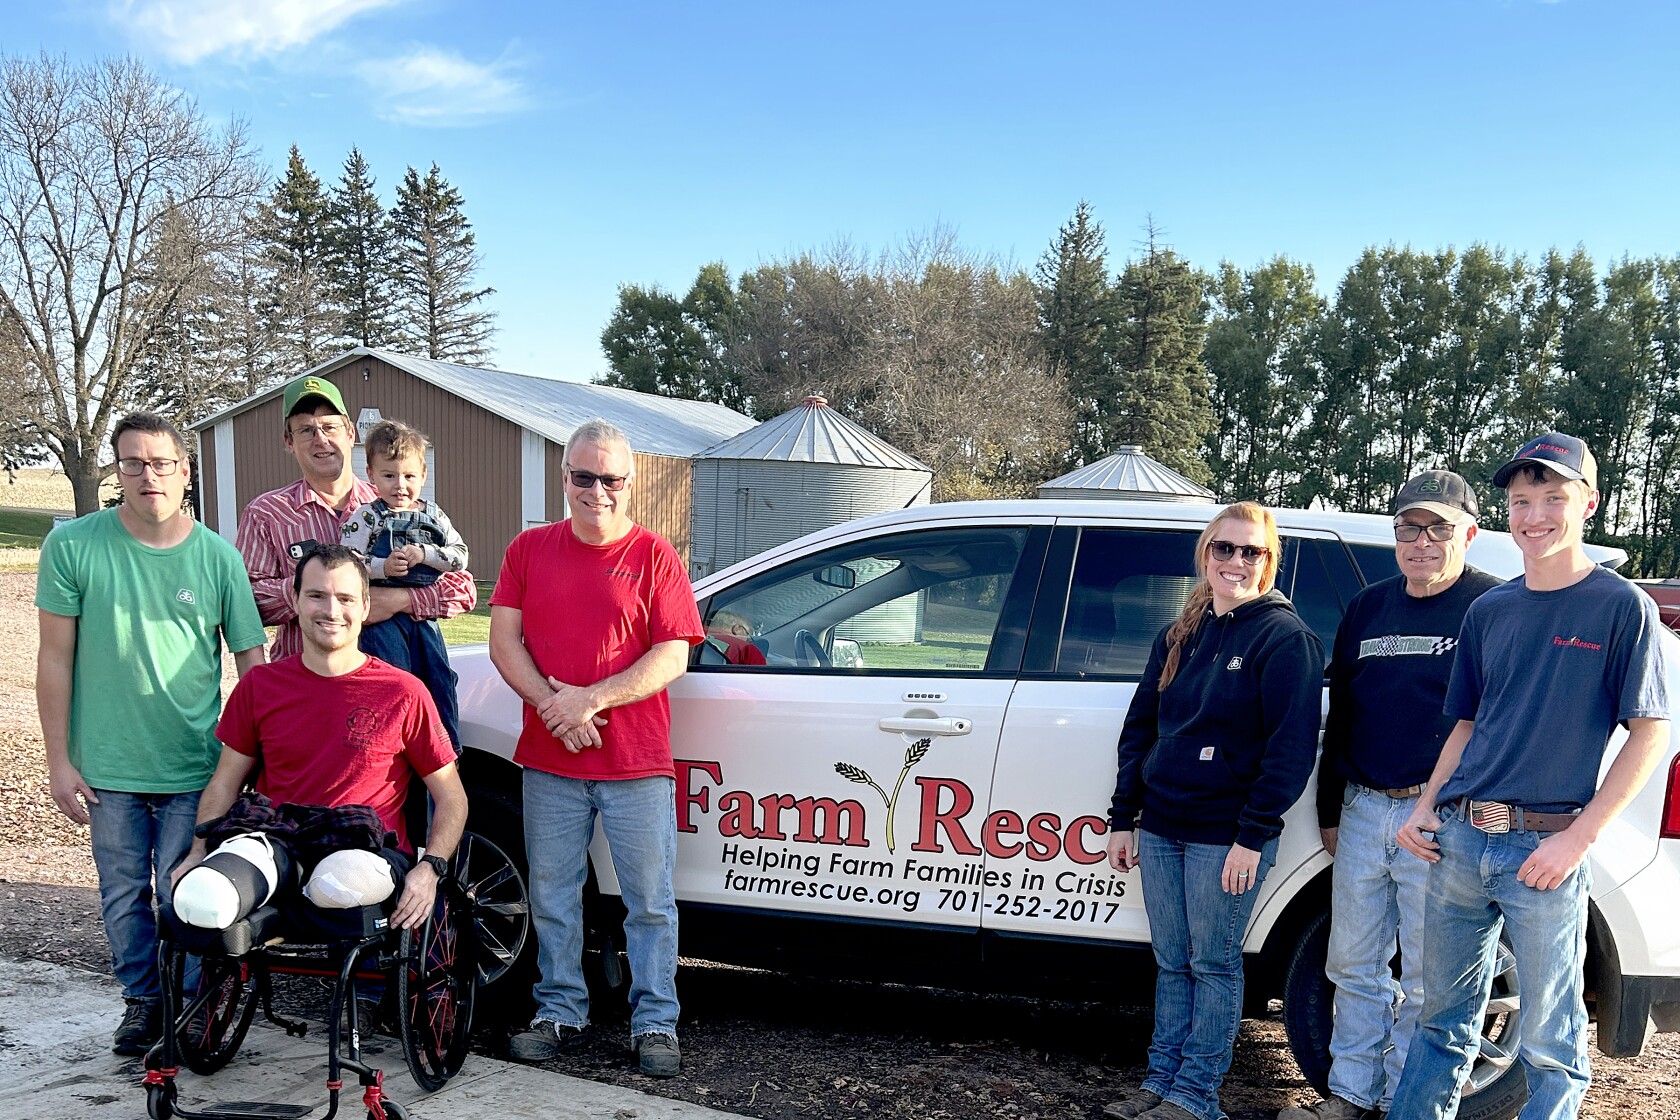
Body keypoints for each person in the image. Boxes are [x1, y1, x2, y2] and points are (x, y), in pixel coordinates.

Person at [1391, 433, 1671, 1120]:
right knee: (1441, 1024)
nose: (1534, 514)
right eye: (1521, 500)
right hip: (1460, 843)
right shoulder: (1491, 610)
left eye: (1553, 496)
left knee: (1551, 1043)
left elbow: (1651, 733)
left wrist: (1576, 841)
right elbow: (1466, 725)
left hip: (1542, 855)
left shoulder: (1620, 607)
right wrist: (1425, 808)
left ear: (1589, 503)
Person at [35, 411, 267, 1055]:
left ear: (185, 472)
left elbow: (252, 665)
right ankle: (142, 1002)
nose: (148, 475)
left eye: (162, 462)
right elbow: (53, 658)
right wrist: (59, 760)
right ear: (118, 470)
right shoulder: (74, 546)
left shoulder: (217, 557)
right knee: (122, 892)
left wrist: (250, 762)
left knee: (185, 888)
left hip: (195, 766)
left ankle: (192, 1004)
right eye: (133, 462)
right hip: (107, 764)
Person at [1280, 471, 1501, 1120]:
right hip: (1363, 809)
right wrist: (1329, 810)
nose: (1422, 541)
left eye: (1439, 528)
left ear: (1470, 533)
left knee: (1431, 980)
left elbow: (1500, 724)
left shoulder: (1491, 610)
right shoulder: (1368, 608)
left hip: (1444, 822)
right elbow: (1342, 713)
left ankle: (1408, 1106)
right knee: (1353, 965)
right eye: (1409, 527)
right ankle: (1350, 1098)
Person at [489, 419, 703, 1077]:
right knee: (554, 894)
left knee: (648, 902)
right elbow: (504, 643)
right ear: (565, 479)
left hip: (636, 763)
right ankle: (560, 1013)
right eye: (585, 476)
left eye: (611, 479)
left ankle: (655, 1023)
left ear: (629, 483)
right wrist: (559, 711)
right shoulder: (528, 550)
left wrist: (591, 699)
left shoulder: (655, 556)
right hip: (551, 761)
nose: (598, 491)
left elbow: (673, 655)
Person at [1103, 502, 1323, 1120]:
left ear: (1269, 560)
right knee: (1171, 960)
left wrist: (1252, 837)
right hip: (1163, 825)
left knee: (1214, 963)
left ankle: (1196, 1096)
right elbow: (1141, 727)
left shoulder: (1285, 639)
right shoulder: (1181, 633)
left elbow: (1290, 752)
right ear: (1205, 555)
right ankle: (1161, 1083)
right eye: (1223, 549)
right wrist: (1125, 816)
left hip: (1226, 836)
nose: (1235, 561)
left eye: (1250, 551)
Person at [173, 544, 468, 933]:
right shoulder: (261, 685)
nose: (331, 611)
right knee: (203, 896)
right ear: (295, 601)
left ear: (365, 607)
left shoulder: (403, 692)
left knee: (338, 884)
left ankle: (294, 904)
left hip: (363, 847)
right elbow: (225, 782)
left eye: (344, 598)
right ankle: (272, 895)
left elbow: (452, 796)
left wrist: (430, 869)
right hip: (278, 841)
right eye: (316, 595)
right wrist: (199, 852)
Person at [235, 375, 475, 663]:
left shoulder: (402, 507)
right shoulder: (266, 513)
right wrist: (323, 590)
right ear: (289, 442)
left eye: (330, 427)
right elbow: (247, 603)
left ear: (350, 434)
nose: (320, 439)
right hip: (306, 683)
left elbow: (463, 589)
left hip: (391, 674)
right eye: (306, 431)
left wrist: (399, 600)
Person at [340, 419, 470, 750]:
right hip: (382, 624)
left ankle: (445, 751)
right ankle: (394, 749)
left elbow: (459, 556)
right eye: (389, 475)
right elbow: (347, 564)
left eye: (409, 476)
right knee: (395, 682)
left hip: (424, 621)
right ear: (371, 475)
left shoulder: (436, 517)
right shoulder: (367, 517)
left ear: (423, 475)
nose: (401, 485)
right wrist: (383, 566)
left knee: (439, 679)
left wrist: (425, 553)